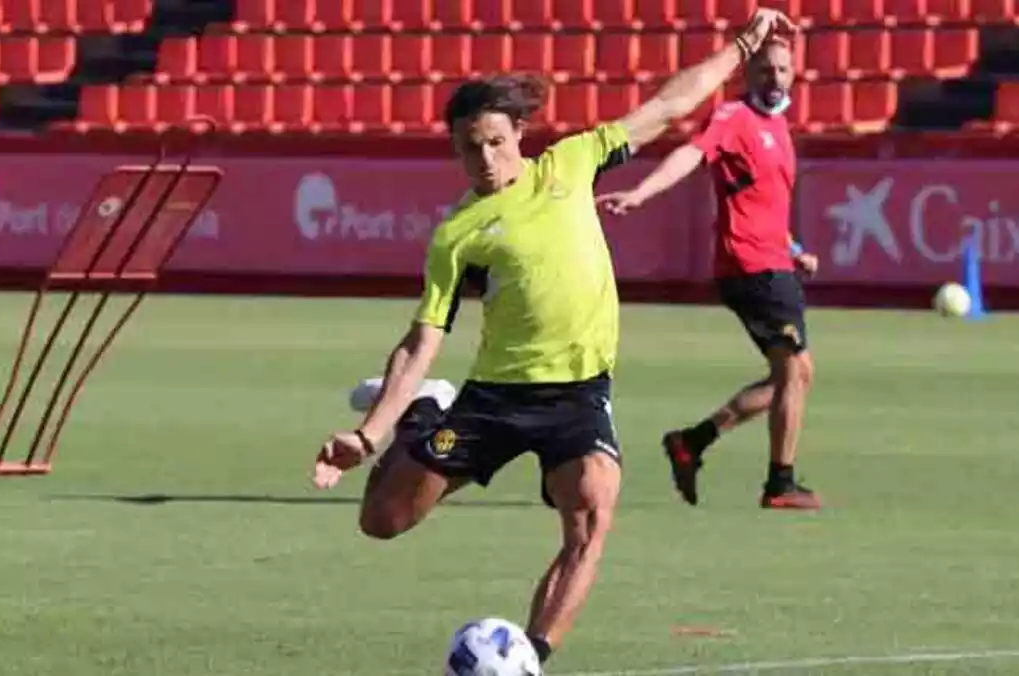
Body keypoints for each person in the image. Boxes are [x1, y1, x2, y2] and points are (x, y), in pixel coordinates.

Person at [311, 8, 796, 667]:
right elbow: (419, 340)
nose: (483, 158)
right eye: (467, 147)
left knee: (590, 521)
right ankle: (431, 407)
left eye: (493, 141)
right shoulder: (458, 235)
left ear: (519, 133)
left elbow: (667, 105)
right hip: (495, 398)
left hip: (578, 397)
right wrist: (368, 437)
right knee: (383, 521)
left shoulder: (571, 162)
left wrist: (741, 48)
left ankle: (530, 657)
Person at [596, 38, 821, 511]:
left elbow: (765, 204)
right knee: (792, 373)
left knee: (797, 375)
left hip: (774, 260)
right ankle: (780, 483)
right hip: (749, 264)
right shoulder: (733, 118)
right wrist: (641, 192)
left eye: (782, 70)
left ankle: (693, 441)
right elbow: (692, 155)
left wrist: (794, 248)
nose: (775, 78)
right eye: (765, 70)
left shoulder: (777, 126)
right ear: (747, 75)